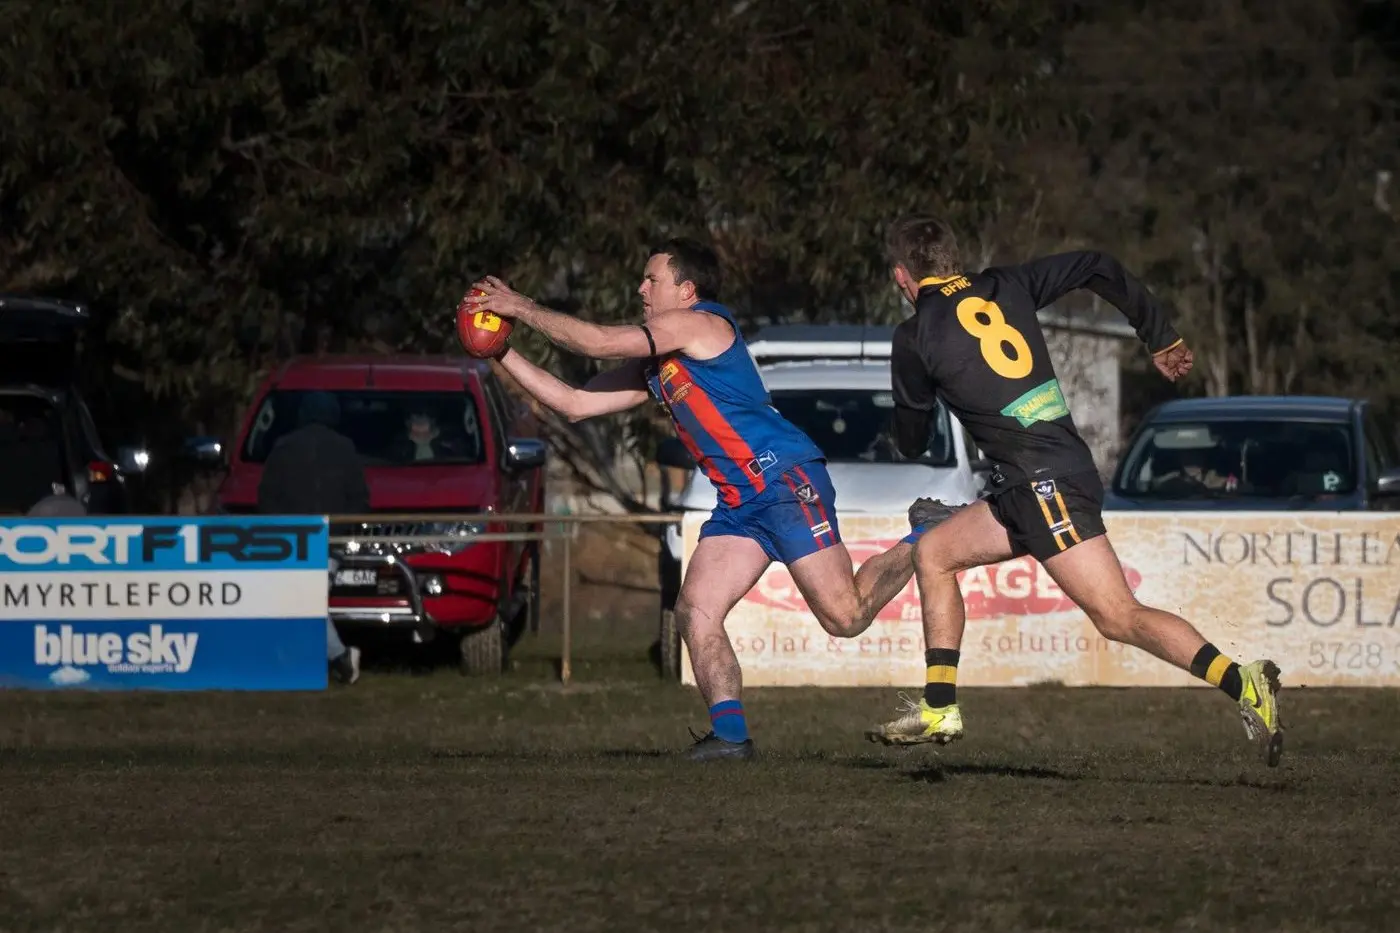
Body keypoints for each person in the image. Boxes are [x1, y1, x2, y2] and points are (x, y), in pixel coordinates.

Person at [462, 238, 950, 761]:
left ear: (687, 290)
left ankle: (928, 535)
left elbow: (599, 343)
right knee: (696, 610)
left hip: (783, 481)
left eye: (653, 280)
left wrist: (523, 308)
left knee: (845, 618)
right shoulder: (657, 364)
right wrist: (499, 351)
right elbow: (575, 404)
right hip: (740, 502)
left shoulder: (701, 324)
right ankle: (731, 738)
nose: (641, 288)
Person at [864, 216, 1284, 767]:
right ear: (951, 258)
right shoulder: (1004, 284)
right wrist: (1159, 334)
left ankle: (1242, 681)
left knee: (1118, 617)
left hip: (1044, 484)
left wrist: (908, 409)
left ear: (901, 275)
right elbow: (1095, 264)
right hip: (1032, 480)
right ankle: (940, 705)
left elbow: (914, 441)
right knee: (935, 552)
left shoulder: (914, 336)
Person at [256, 390, 367, 685]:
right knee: (307, 602)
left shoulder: (282, 448)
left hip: (292, 541)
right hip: (331, 542)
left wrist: (279, 532)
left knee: (303, 602)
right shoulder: (345, 449)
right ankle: (339, 658)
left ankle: (336, 659)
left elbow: (267, 499)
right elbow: (359, 499)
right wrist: (343, 531)